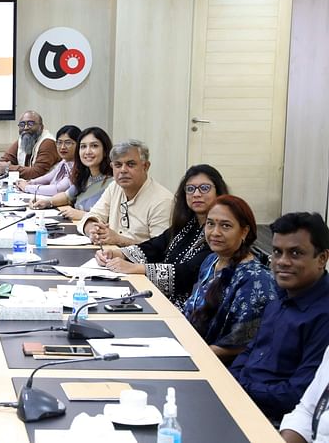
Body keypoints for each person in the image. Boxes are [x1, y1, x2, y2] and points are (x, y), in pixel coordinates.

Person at [230, 212, 329, 423]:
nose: (282, 261)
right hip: (241, 401)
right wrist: (233, 382)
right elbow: (249, 352)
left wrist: (241, 388)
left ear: (322, 258)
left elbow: (300, 394)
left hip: (278, 422)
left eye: (295, 253)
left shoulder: (324, 315)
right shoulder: (280, 295)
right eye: (277, 252)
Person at [95, 164, 230, 310]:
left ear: (218, 191)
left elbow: (188, 272)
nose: (196, 194)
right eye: (190, 189)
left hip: (190, 310)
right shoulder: (188, 224)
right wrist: (119, 253)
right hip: (164, 300)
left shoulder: (219, 232)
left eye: (204, 188)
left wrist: (137, 268)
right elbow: (156, 246)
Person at [182, 195, 277, 363]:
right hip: (191, 347)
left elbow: (242, 343)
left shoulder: (255, 279)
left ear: (244, 231)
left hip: (221, 365)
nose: (215, 232)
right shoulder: (211, 261)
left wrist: (195, 354)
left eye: (225, 226)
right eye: (210, 224)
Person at [77, 139, 174, 247]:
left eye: (131, 164)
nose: (123, 170)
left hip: (138, 262)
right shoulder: (115, 187)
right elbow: (93, 215)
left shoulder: (162, 201)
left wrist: (119, 240)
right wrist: (92, 230)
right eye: (118, 165)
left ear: (145, 166)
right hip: (109, 256)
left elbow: (160, 250)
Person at [30, 126, 113, 220]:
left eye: (94, 146)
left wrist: (82, 215)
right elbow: (67, 196)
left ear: (105, 151)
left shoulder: (114, 183)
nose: (87, 151)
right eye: (83, 146)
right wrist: (47, 202)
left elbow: (112, 219)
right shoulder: (85, 177)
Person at [15, 125, 80, 196]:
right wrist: (30, 182)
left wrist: (27, 187)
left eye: (68, 143)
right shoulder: (65, 162)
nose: (62, 147)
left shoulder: (79, 166)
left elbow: (58, 189)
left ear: (79, 144)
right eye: (59, 142)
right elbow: (48, 177)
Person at [0, 110, 60, 180]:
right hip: (28, 185)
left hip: (48, 186)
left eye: (30, 124)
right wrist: (4, 167)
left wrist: (9, 168)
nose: (25, 128)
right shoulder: (23, 140)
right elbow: (2, 162)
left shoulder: (48, 143)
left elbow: (37, 173)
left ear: (41, 127)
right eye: (22, 125)